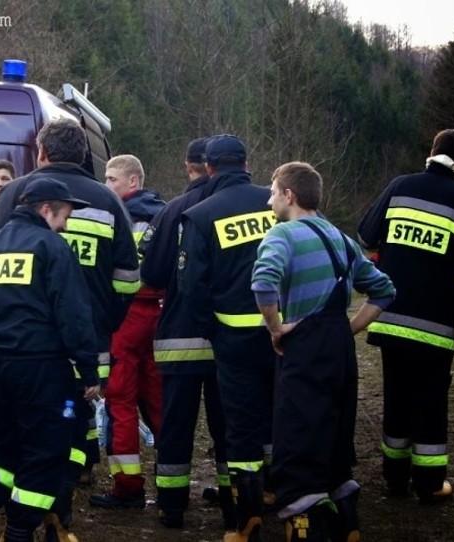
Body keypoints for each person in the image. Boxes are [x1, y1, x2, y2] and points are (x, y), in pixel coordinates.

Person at [0, 119, 140, 537]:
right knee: (74, 421)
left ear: (42, 153)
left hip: (26, 347)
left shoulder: (17, 193)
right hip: (88, 346)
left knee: (27, 432)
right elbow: (127, 279)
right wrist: (105, 324)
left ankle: (26, 514)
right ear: (85, 155)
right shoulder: (108, 198)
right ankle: (60, 512)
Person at [252, 161, 395, 541]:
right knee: (334, 434)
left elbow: (263, 282)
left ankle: (305, 526)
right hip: (340, 350)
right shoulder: (341, 239)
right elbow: (384, 291)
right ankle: (346, 519)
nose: (268, 199)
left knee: (298, 435)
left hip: (306, 350)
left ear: (289, 195)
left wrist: (275, 328)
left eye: (272, 190)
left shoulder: (283, 235)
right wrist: (346, 329)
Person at [0, 178, 100, 542]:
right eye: (64, 216)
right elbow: (73, 314)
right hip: (40, 367)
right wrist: (88, 371)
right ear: (46, 209)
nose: (65, 225)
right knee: (45, 453)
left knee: (3, 448)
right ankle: (19, 532)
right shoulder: (50, 246)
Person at [357, 129, 454, 504]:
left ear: (432, 153)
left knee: (396, 398)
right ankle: (430, 484)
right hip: (435, 327)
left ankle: (395, 480)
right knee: (431, 403)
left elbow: (366, 236)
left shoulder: (400, 187)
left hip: (391, 318)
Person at [178, 135, 278, 541]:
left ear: (209, 168)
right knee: (282, 418)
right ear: (246, 162)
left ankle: (247, 516)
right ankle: (288, 501)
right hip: (283, 334)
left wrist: (210, 328)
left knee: (241, 430)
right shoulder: (277, 204)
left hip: (232, 342)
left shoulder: (201, 215)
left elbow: (190, 288)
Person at [138, 137, 230, 529]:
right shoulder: (247, 208)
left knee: (176, 424)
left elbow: (152, 274)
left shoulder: (173, 210)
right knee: (229, 422)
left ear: (191, 166)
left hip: (179, 336)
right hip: (230, 339)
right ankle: (234, 497)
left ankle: (171, 505)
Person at [90, 154, 165, 509]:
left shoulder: (119, 217)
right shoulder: (164, 215)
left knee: (119, 400)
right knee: (158, 399)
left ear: (132, 182)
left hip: (126, 316)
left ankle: (128, 487)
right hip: (158, 317)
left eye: (111, 179)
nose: (106, 187)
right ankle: (170, 480)